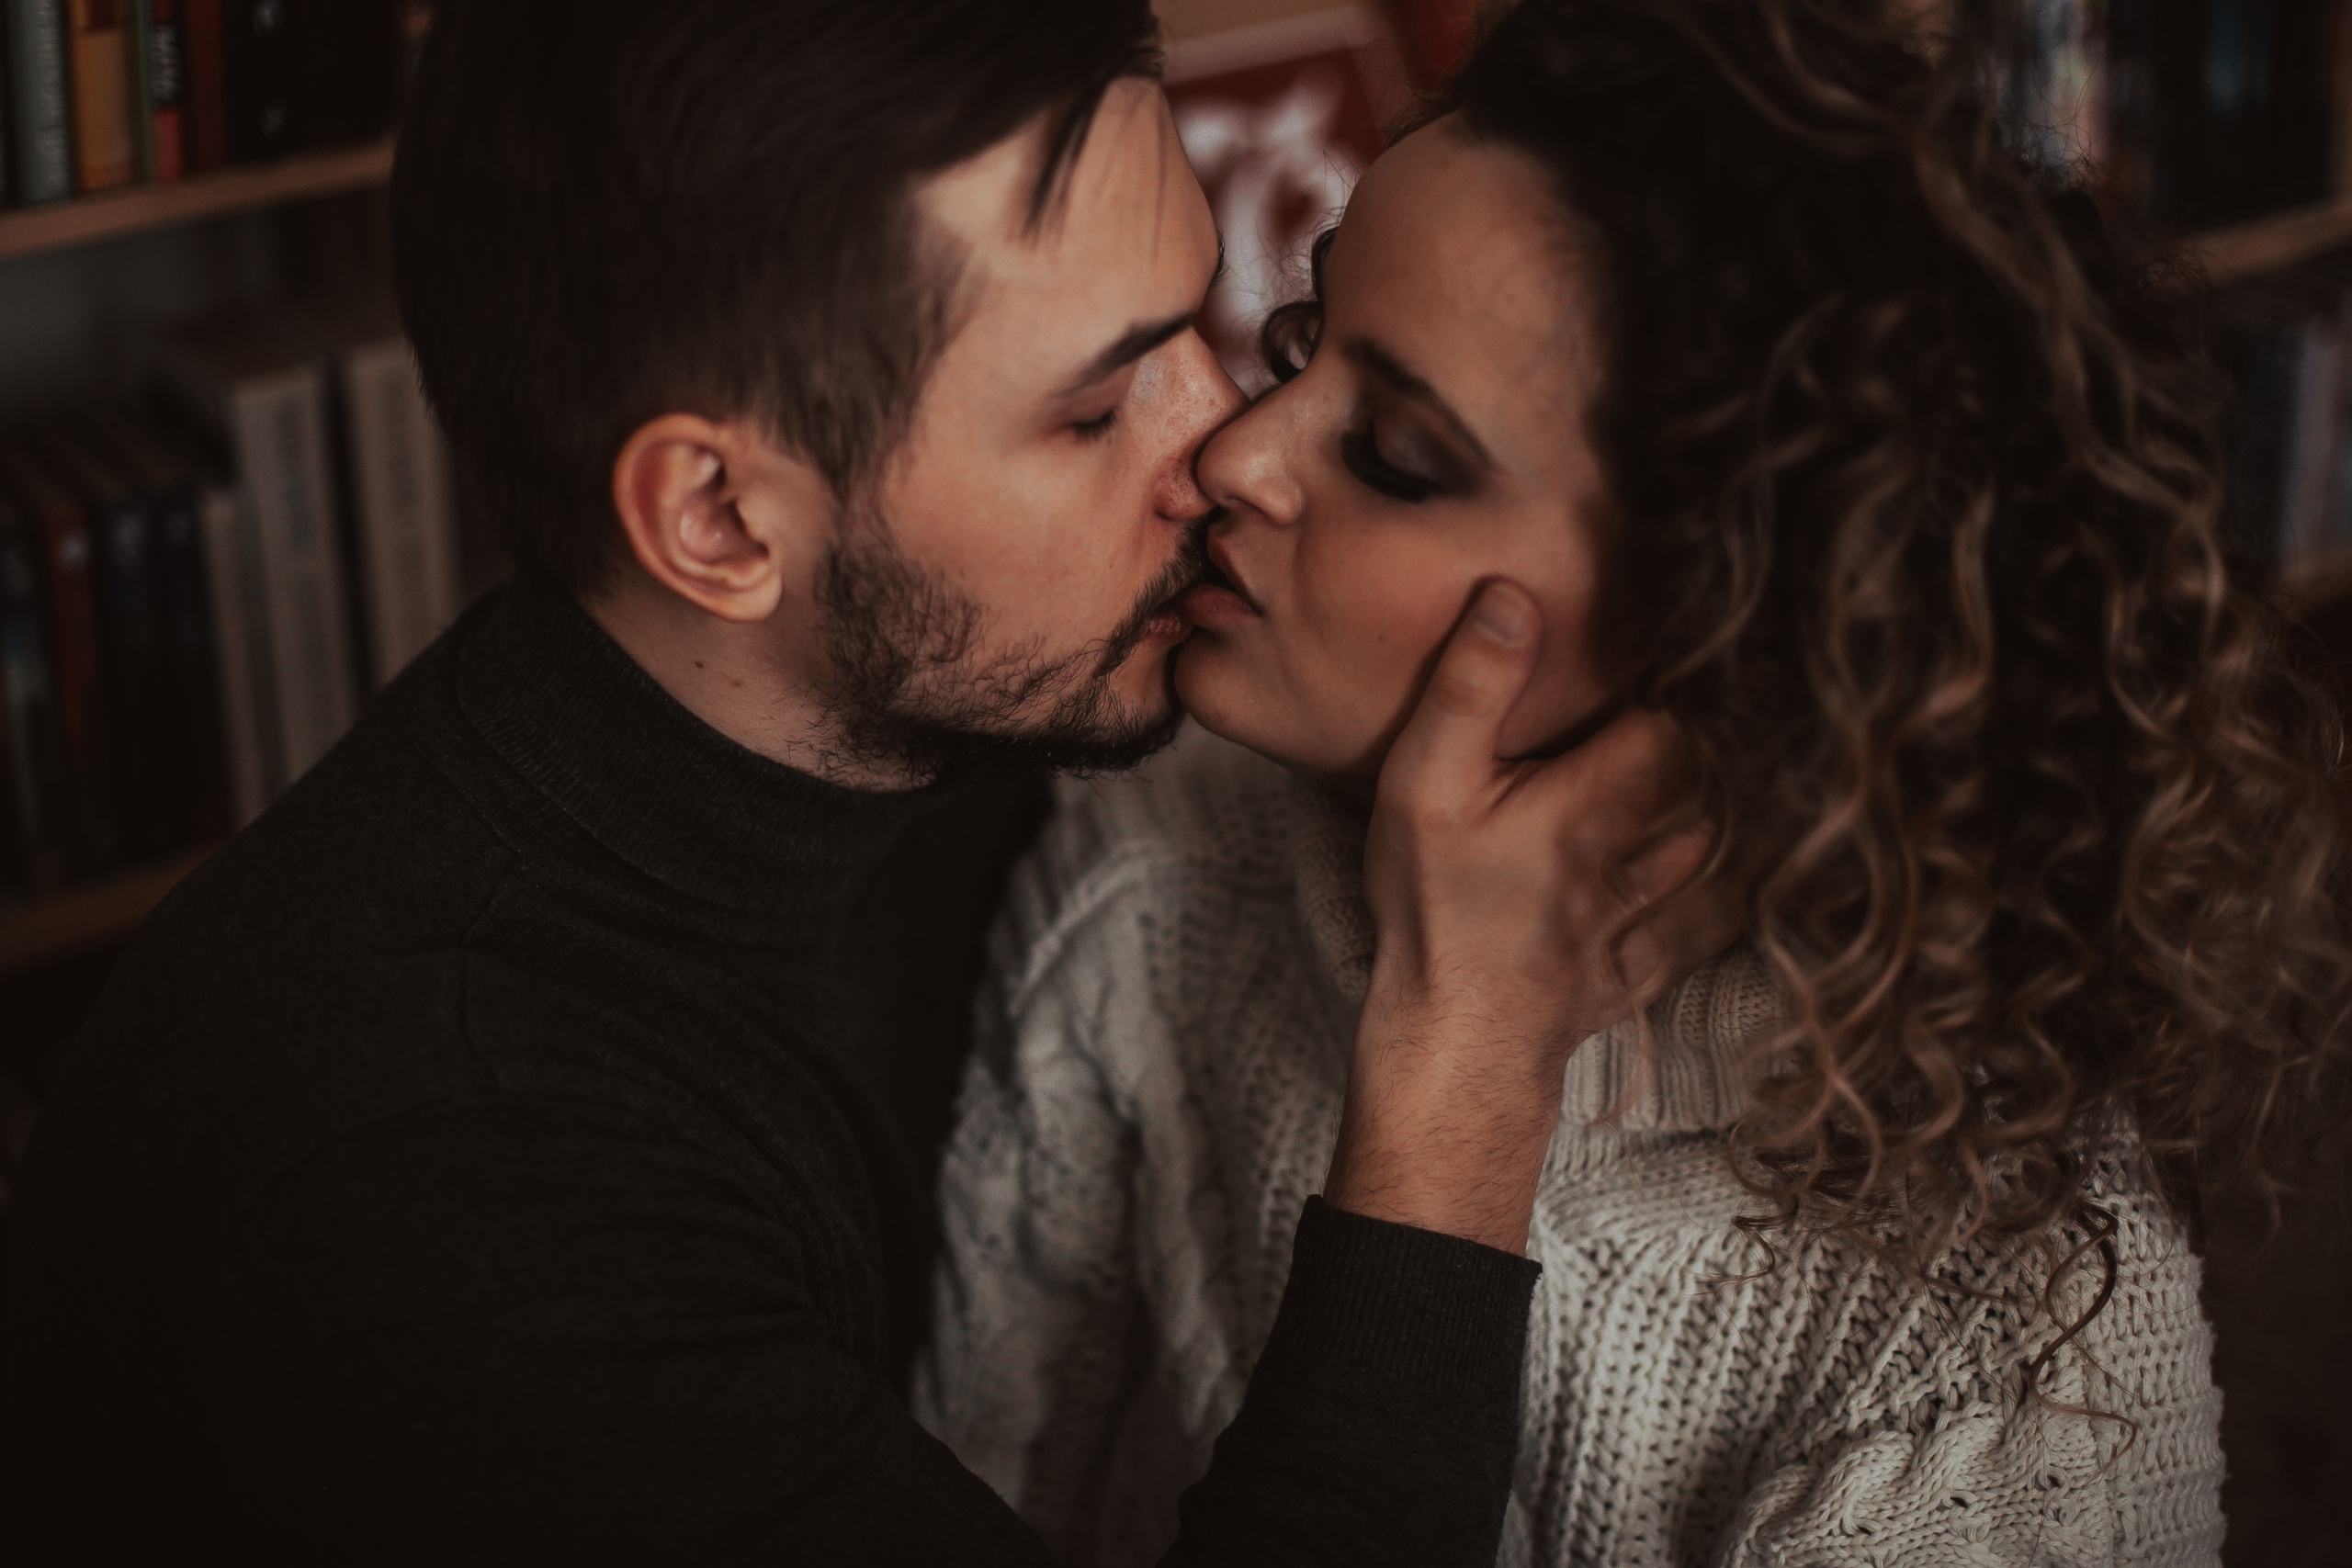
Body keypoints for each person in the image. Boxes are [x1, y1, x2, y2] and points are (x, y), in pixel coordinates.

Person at [0, 1, 1734, 1562]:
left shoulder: (922, 715)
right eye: (1088, 409)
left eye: (1196, 320)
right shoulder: (453, 1189)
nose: (1212, 445)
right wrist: (1467, 1071)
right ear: (721, 522)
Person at [914, 1, 2352, 1563]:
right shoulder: (1157, 833)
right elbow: (981, 1484)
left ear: (1743, 649)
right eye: (1311, 340)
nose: (1237, 455)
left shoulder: (1999, 1341)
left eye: (1395, 453)